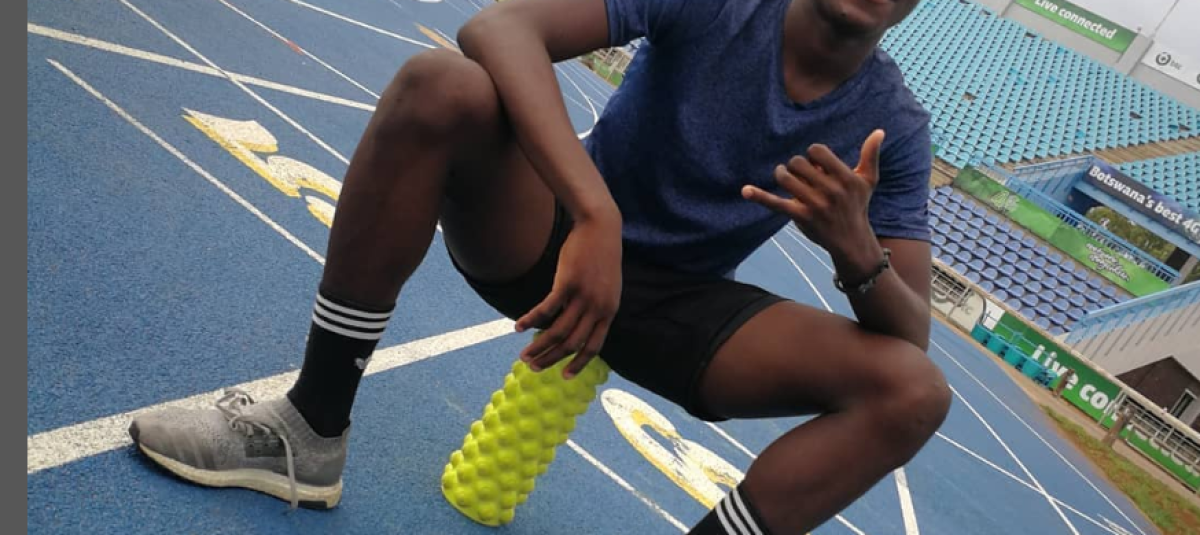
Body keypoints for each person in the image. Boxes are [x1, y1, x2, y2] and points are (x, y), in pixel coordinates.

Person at [128, 0, 952, 532]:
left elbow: (907, 333)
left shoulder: (895, 124)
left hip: (683, 308)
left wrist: (858, 253)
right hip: (555, 240)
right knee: (440, 85)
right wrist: (595, 211)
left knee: (912, 391)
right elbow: (499, 28)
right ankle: (308, 428)